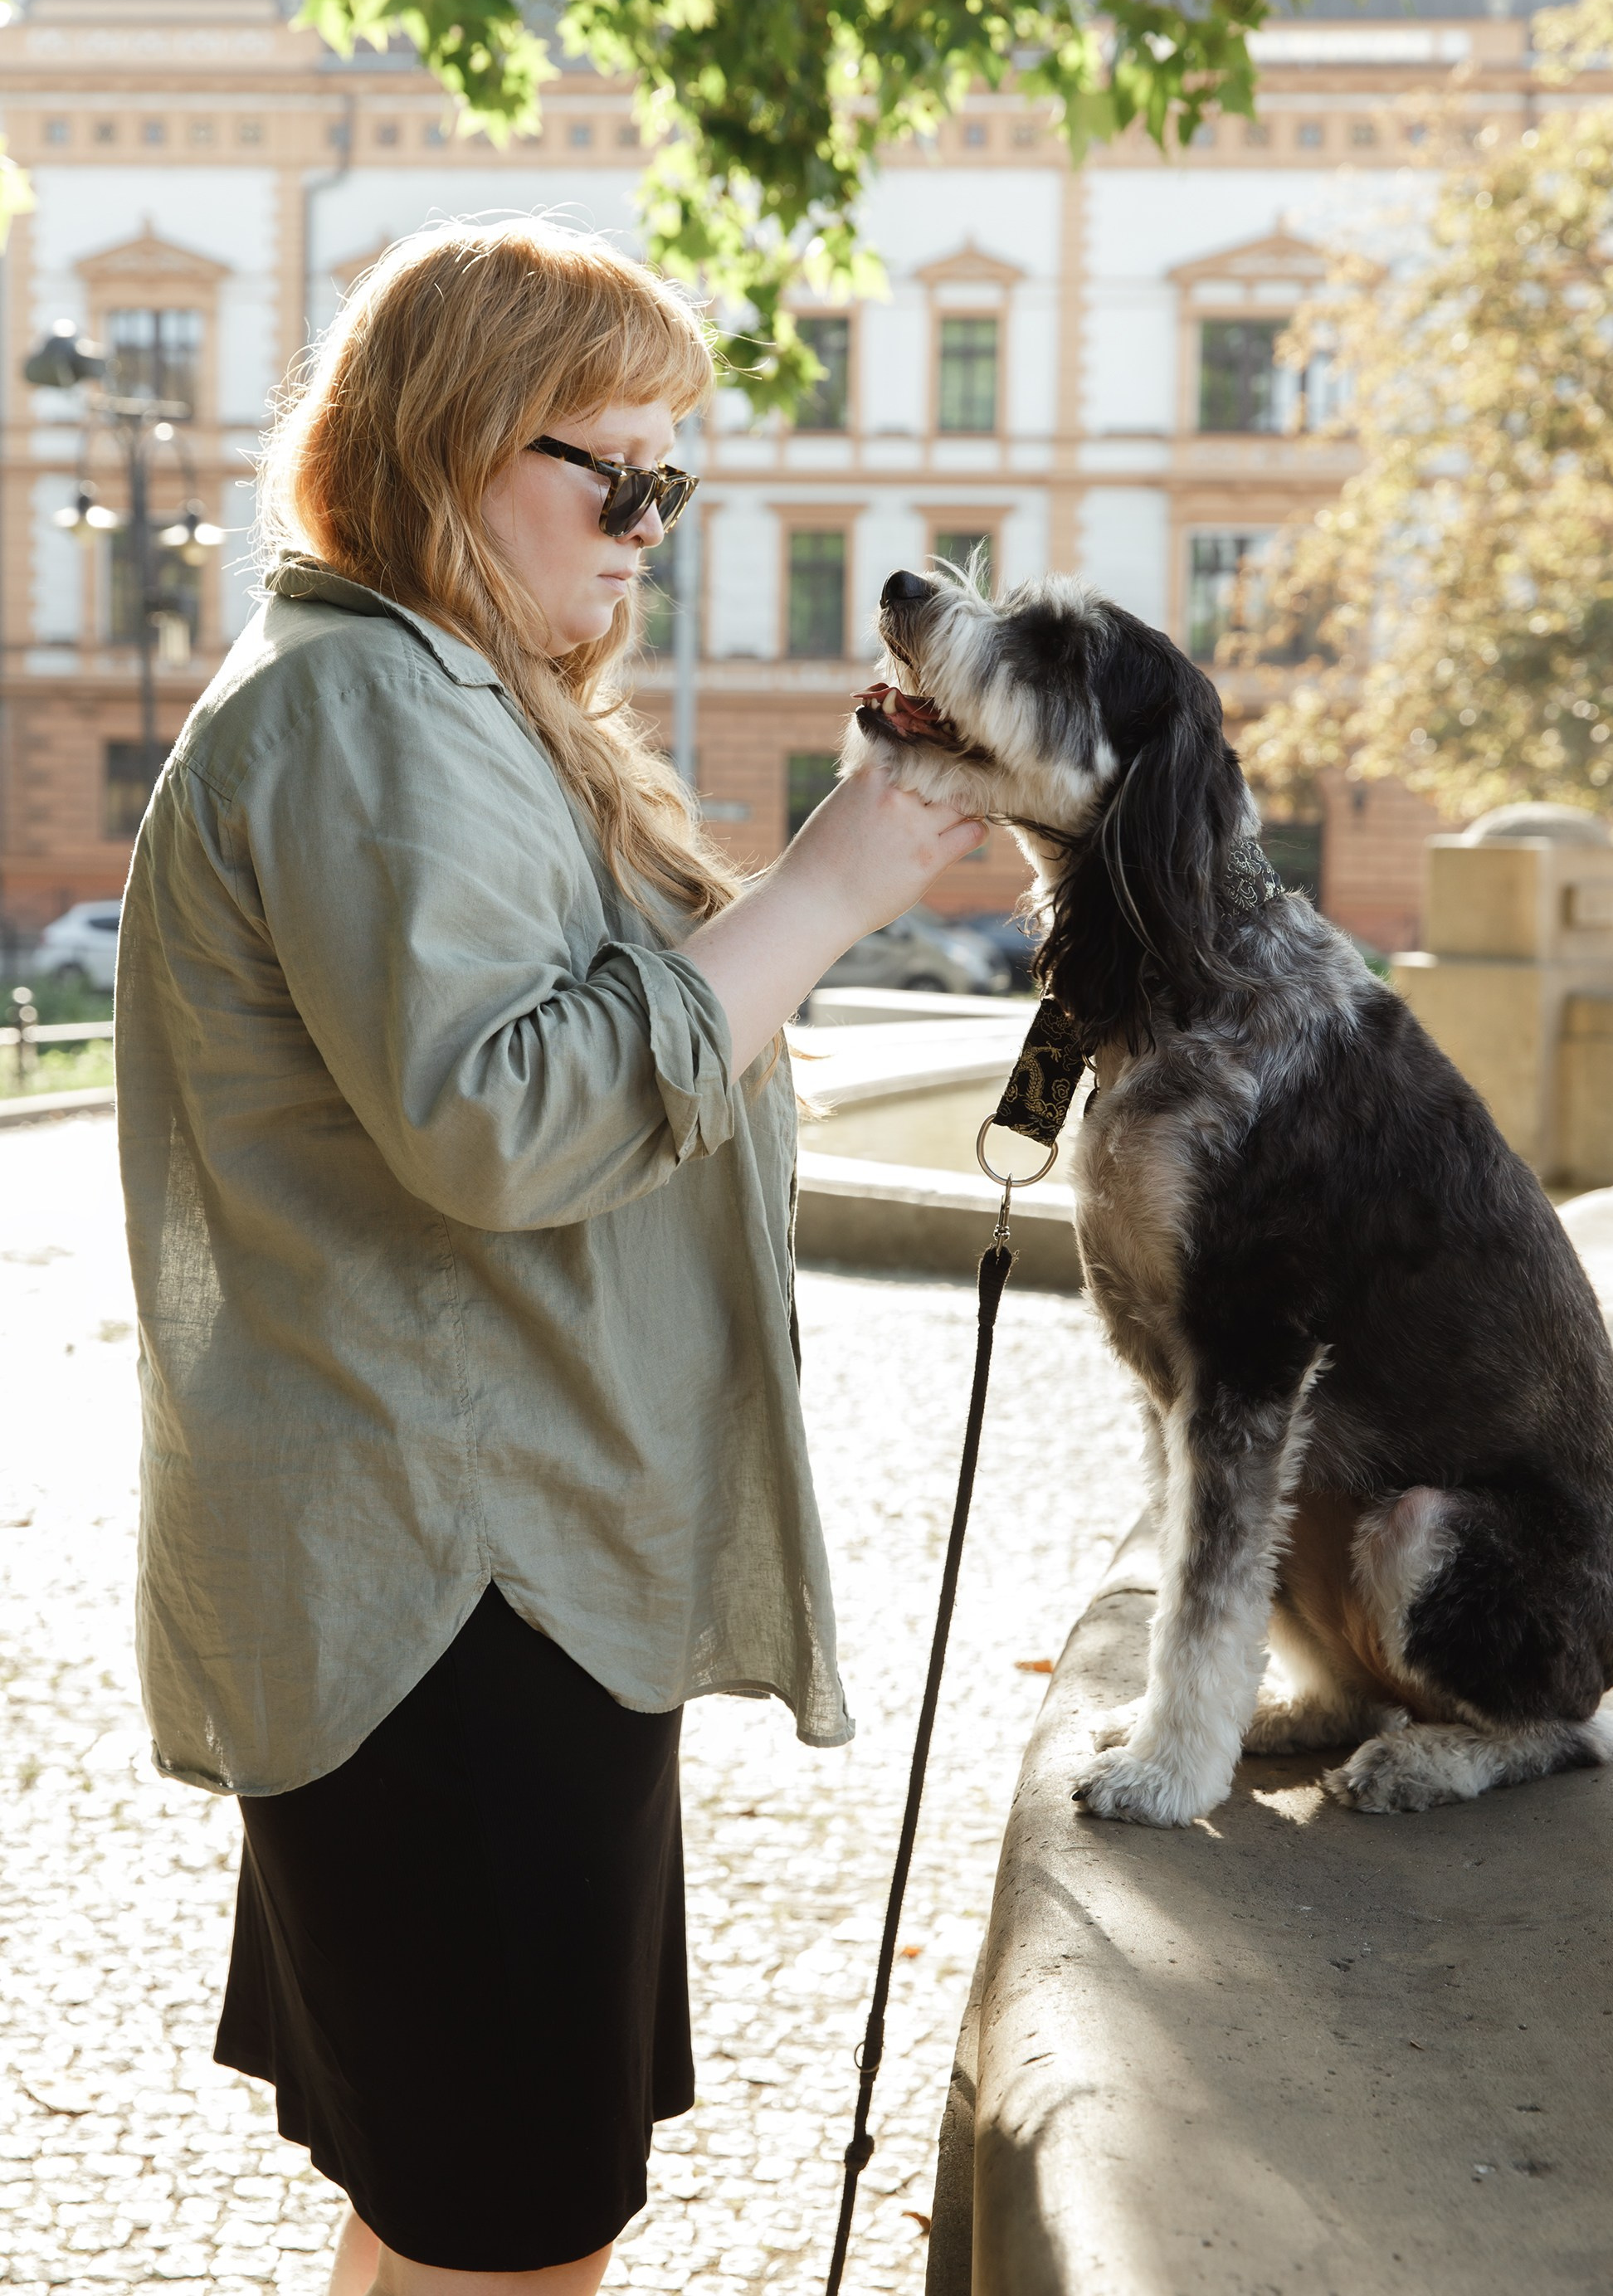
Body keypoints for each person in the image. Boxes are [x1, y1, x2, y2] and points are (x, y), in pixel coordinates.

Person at [115, 221, 985, 2296]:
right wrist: (833, 883)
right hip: (454, 1595)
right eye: (618, 472)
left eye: (670, 482)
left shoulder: (438, 698)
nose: (649, 529)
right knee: (510, 2234)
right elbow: (503, 1118)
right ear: (448, 445)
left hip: (480, 1572)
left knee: (453, 2209)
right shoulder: (369, 708)